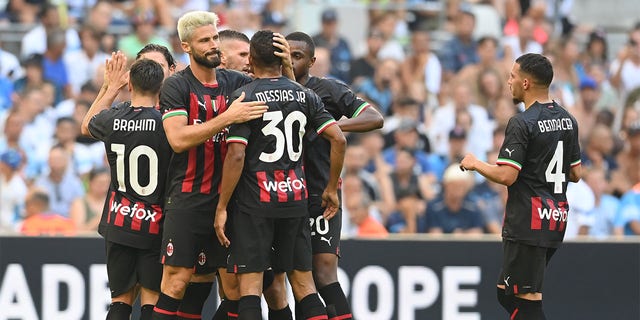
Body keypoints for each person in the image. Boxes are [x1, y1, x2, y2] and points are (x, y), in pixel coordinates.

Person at [213, 29, 346, 320]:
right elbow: (339, 139)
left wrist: (222, 206)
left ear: (251, 59)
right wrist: (331, 189)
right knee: (303, 284)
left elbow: (236, 154)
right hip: (295, 199)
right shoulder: (305, 94)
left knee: (250, 286)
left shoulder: (244, 96)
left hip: (255, 203)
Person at [151, 11, 268, 320]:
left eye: (215, 37)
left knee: (233, 288)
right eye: (205, 40)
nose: (214, 45)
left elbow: (278, 90)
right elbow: (177, 139)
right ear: (186, 46)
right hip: (189, 197)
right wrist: (228, 118)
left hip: (231, 200)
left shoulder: (238, 82)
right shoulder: (176, 87)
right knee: (176, 283)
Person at [460, 53, 582, 319]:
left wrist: (475, 163)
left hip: (528, 220)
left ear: (525, 83)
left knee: (525, 299)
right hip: (554, 218)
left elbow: (507, 176)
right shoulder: (568, 120)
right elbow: (575, 173)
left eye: (513, 76)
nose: (509, 82)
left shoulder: (522, 122)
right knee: (508, 293)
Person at [286, 31, 383, 319]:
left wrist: (333, 128)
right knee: (291, 276)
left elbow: (374, 118)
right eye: (285, 54)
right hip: (282, 192)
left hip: (320, 191)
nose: (290, 61)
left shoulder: (327, 90)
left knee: (323, 271)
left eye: (297, 55)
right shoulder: (269, 88)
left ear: (312, 61)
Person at [81, 55, 171, 320]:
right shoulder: (168, 122)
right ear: (161, 87)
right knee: (152, 299)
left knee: (120, 300)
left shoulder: (114, 117)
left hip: (119, 220)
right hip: (155, 222)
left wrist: (110, 88)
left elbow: (87, 126)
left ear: (129, 85)